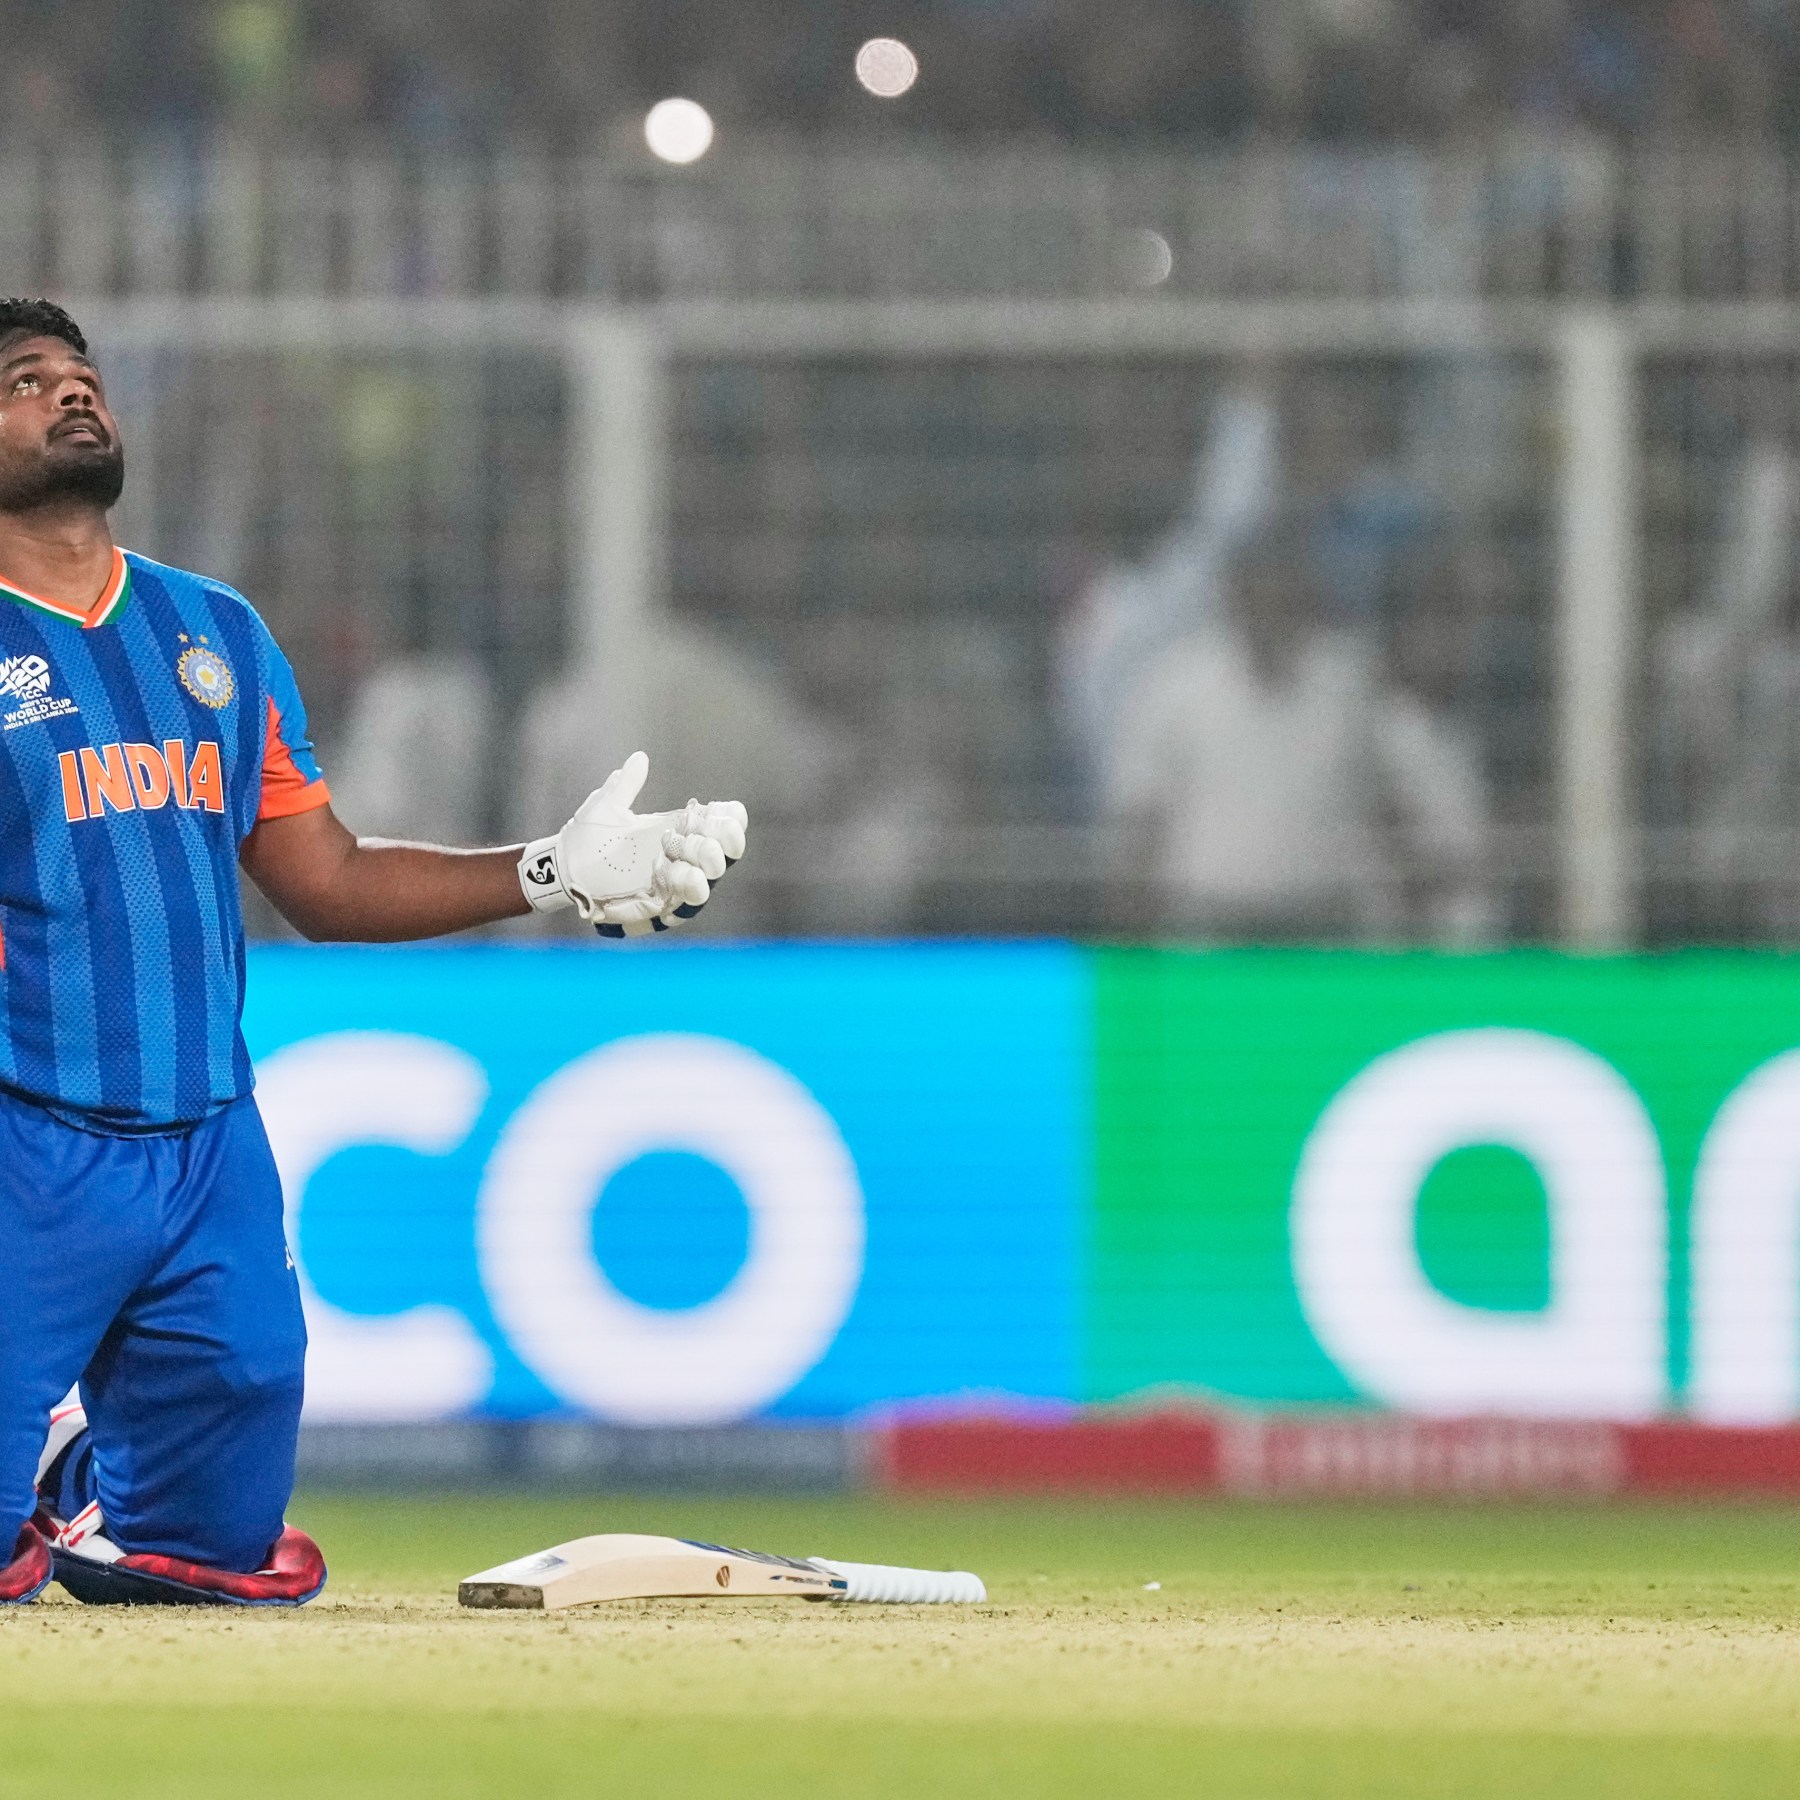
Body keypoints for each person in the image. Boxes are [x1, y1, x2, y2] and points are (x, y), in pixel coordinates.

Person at [0, 299, 747, 1608]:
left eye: (81, 375)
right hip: (25, 1142)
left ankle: (73, 1470)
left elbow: (328, 881)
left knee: (206, 1555)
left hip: (205, 1153)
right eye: (24, 380)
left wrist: (547, 871)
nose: (71, 393)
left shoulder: (214, 634)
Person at [1102, 520, 1490, 942]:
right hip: (1210, 926)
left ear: (1305, 598)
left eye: (1283, 594)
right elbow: (1142, 822)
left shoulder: (1349, 685)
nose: (1271, 608)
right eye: (1259, 593)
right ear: (1234, 596)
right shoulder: (1176, 688)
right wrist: (1131, 944)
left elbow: (1392, 801)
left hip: (1326, 923)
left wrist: (1427, 885)